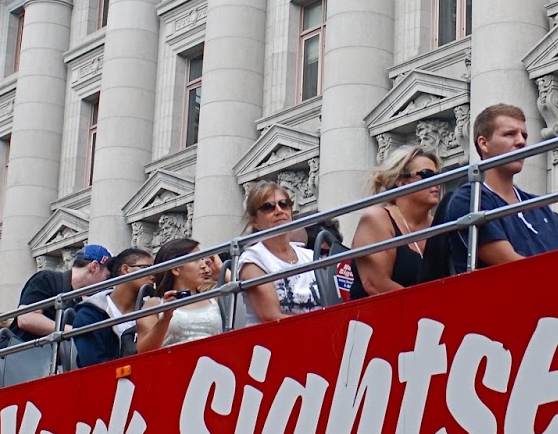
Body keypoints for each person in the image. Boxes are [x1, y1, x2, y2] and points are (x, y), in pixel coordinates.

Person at [432, 104, 558, 277]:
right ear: (484, 144)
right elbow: (511, 265)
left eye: (524, 135)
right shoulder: (470, 198)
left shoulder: (538, 206)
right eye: (510, 134)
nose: (521, 141)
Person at [349, 146, 442, 296]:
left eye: (439, 175)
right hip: (378, 314)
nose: (437, 181)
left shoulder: (437, 224)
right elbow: (375, 284)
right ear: (402, 182)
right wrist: (426, 307)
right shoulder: (376, 218)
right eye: (427, 174)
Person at [238, 181, 328, 324]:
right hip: (275, 340)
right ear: (255, 221)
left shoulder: (309, 256)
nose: (279, 210)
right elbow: (271, 317)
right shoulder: (252, 259)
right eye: (268, 207)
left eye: (284, 204)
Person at [70, 246, 155, 368]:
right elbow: (92, 363)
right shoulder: (91, 312)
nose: (153, 276)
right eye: (146, 268)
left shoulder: (153, 307)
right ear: (125, 269)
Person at [136, 237, 224, 352]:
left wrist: (222, 270)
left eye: (202, 259)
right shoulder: (155, 304)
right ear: (176, 269)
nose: (204, 266)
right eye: (196, 259)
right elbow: (143, 351)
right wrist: (165, 319)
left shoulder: (213, 298)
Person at [9, 244, 111, 341]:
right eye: (107, 277)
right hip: (22, 356)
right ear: (94, 267)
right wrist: (72, 331)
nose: (107, 284)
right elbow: (25, 319)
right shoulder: (47, 279)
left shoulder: (79, 299)